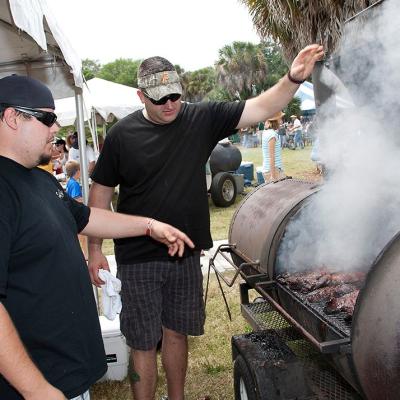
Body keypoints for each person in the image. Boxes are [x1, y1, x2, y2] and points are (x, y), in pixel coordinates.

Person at [88, 44, 324, 400]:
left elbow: (262, 106)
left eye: (174, 95)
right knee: (141, 341)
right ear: (141, 95)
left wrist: (292, 78)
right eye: (158, 98)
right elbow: (101, 193)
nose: (169, 104)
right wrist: (94, 249)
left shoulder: (201, 118)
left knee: (177, 332)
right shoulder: (122, 135)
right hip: (138, 255)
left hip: (185, 252)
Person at [0, 74, 194, 400]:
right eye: (47, 118)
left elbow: (86, 218)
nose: (56, 128)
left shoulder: (39, 180)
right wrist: (36, 390)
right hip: (36, 385)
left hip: (67, 375)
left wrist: (149, 226)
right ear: (11, 118)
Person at [261, 111, 286, 182]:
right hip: (274, 170)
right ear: (275, 121)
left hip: (269, 169)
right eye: (280, 119)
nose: (281, 121)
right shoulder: (272, 135)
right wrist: (273, 176)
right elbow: (271, 157)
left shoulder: (266, 132)